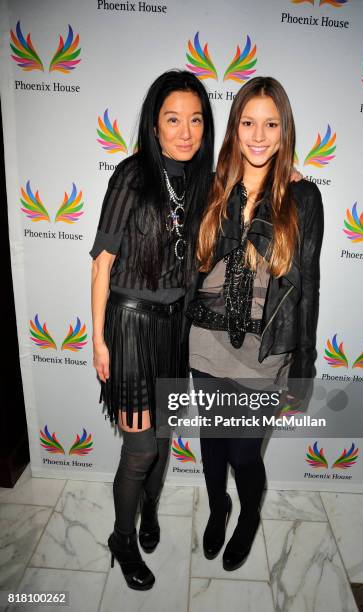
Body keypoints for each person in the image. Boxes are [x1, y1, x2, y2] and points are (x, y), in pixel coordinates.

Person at [187, 76, 324, 571]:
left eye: (271, 124)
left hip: (263, 351)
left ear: (284, 131)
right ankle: (218, 507)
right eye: (249, 122)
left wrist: (302, 367)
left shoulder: (302, 197)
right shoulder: (210, 187)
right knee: (212, 444)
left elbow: (305, 286)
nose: (259, 135)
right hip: (204, 338)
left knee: (245, 453)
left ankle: (247, 515)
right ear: (234, 127)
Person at [90, 70, 214, 590]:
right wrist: (97, 339)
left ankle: (149, 511)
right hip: (131, 324)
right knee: (140, 448)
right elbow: (102, 262)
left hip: (174, 330)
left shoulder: (203, 181)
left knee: (162, 439)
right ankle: (122, 536)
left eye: (195, 120)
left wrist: (292, 174)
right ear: (154, 124)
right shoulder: (131, 176)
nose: (185, 131)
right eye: (172, 119)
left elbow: (255, 181)